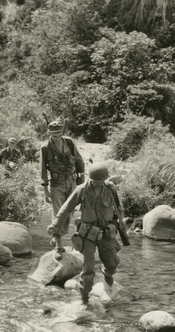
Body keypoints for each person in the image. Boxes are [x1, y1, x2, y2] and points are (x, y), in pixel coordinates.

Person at [47, 162, 125, 305]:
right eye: (96, 181)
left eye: (102, 181)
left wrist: (121, 220)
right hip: (87, 233)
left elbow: (118, 206)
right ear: (91, 179)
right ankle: (85, 299)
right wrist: (55, 224)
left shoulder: (110, 188)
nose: (99, 183)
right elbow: (66, 208)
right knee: (88, 270)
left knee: (112, 264)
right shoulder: (81, 190)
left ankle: (107, 273)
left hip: (106, 233)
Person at [39, 120, 85, 257]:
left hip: (71, 181)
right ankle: (58, 245)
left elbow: (79, 160)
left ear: (62, 133)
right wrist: (45, 189)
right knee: (58, 213)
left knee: (69, 212)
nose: (57, 138)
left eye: (59, 134)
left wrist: (81, 179)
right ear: (49, 134)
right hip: (56, 183)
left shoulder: (69, 142)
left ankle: (56, 235)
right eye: (54, 135)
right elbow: (42, 170)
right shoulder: (45, 148)